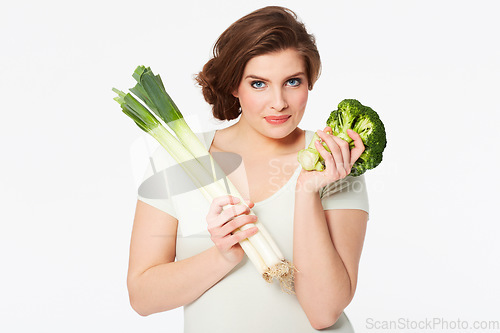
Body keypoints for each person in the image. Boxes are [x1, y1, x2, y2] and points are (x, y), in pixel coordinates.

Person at [127, 6, 369, 332]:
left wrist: (306, 190)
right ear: (233, 86)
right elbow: (142, 297)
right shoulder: (177, 159)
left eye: (292, 81)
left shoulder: (335, 161)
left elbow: (323, 312)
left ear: (309, 82)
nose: (278, 102)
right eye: (258, 84)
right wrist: (223, 256)